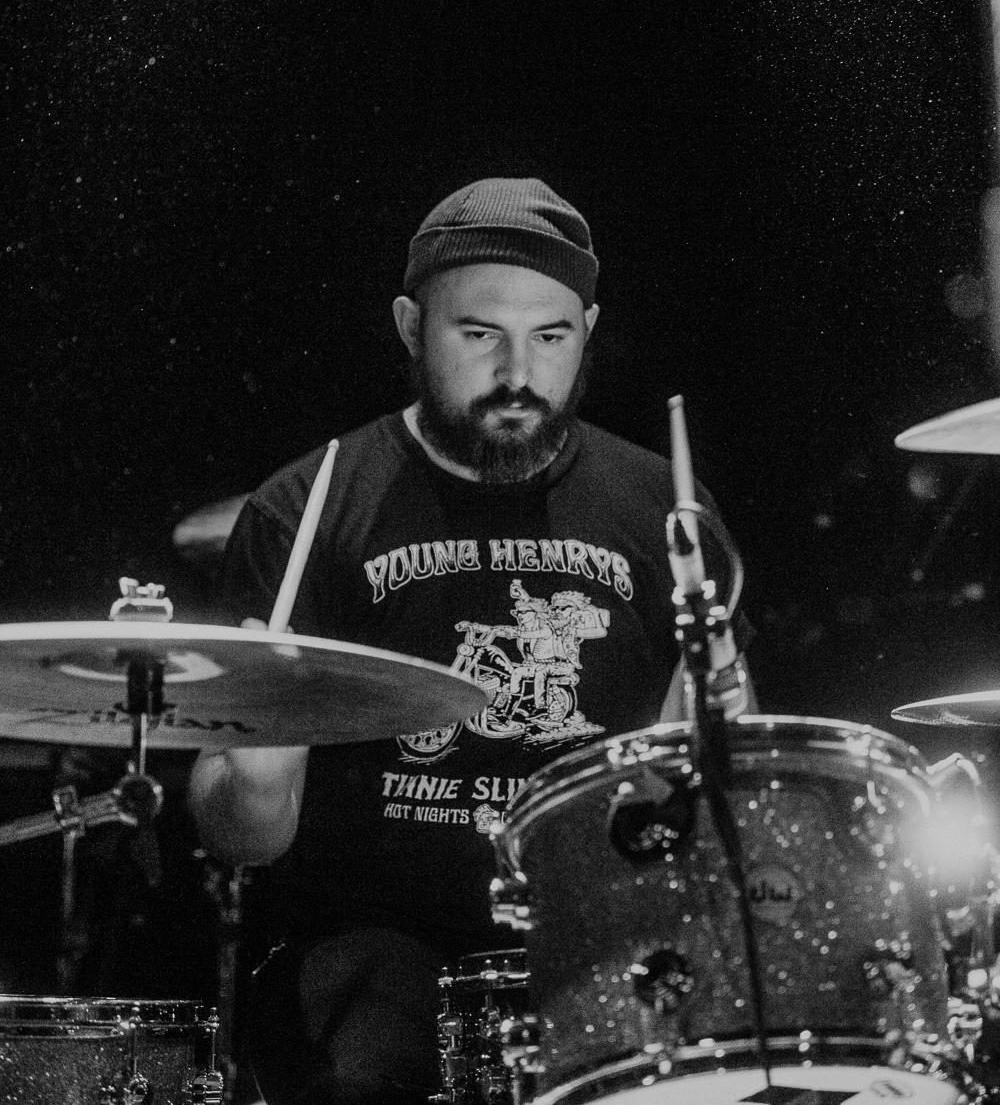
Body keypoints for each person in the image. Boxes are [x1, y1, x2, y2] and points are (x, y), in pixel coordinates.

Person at [188, 177, 752, 1105]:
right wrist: (253, 779)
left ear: (589, 330)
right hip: (370, 942)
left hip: (595, 932)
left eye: (551, 336)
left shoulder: (665, 510)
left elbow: (706, 783)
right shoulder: (310, 505)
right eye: (480, 333)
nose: (518, 371)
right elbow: (241, 841)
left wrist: (718, 747)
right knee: (377, 1063)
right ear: (411, 326)